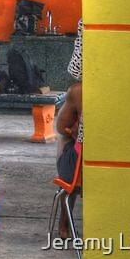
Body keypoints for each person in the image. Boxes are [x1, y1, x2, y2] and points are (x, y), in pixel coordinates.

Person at [55, 80, 83, 239]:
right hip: (113, 171)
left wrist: (77, 129)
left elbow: (61, 127)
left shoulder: (79, 90)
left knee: (64, 139)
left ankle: (64, 225)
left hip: (78, 172)